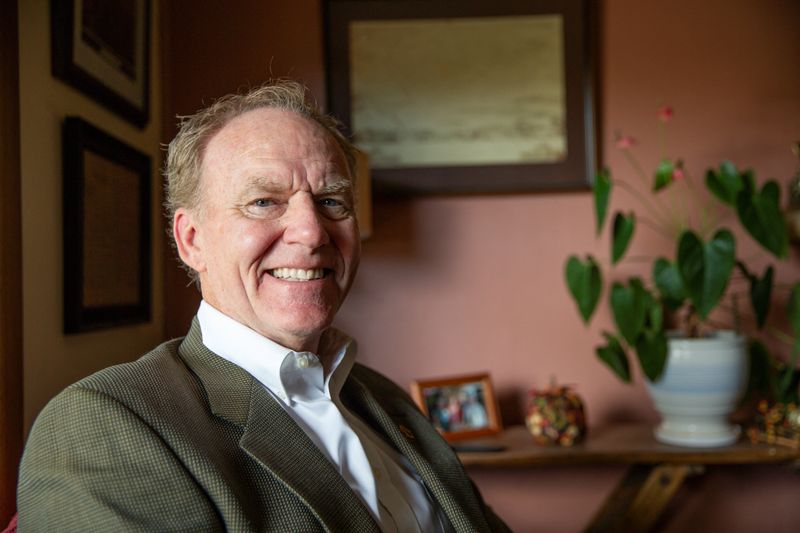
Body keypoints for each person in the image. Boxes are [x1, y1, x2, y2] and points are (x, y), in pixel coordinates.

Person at [17, 80, 509, 532]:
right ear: (192, 241)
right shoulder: (104, 427)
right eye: (263, 202)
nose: (312, 232)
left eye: (332, 201)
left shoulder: (382, 397)